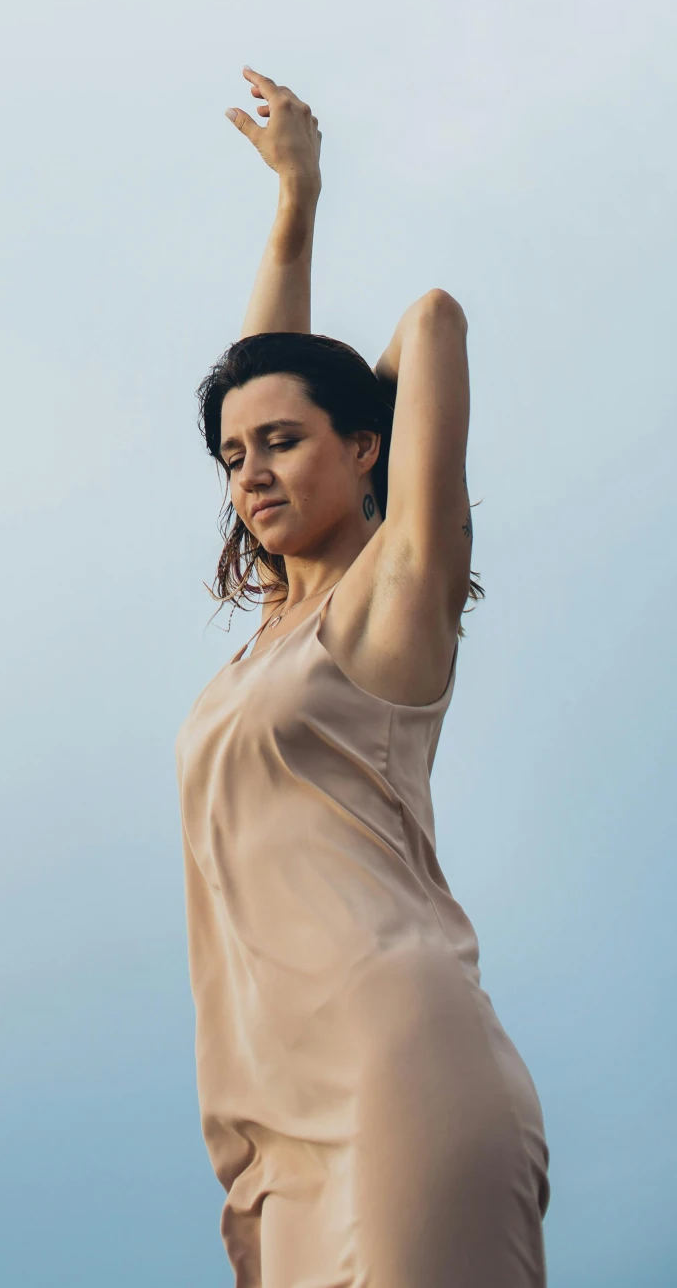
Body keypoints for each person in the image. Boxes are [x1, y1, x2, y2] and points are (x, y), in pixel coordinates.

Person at [176, 69, 549, 1287]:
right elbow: (259, 378)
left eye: (283, 443)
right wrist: (292, 204)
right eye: (234, 459)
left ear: (368, 445)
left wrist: (352, 426)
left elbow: (432, 320)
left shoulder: (393, 603)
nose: (251, 474)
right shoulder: (264, 636)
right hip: (279, 1121)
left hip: (401, 1069)